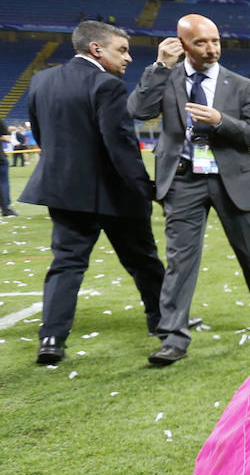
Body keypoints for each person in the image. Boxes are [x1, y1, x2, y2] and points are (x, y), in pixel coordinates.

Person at [128, 14, 250, 366]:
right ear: (182, 45)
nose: (212, 48)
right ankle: (174, 338)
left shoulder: (242, 85)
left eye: (215, 40)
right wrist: (159, 67)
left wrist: (221, 122)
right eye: (201, 42)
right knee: (180, 261)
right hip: (183, 180)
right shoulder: (166, 78)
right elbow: (138, 110)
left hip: (231, 179)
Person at [20, 21, 164, 365]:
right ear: (96, 49)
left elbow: (41, 134)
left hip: (64, 189)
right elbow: (120, 144)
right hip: (114, 193)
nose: (128, 58)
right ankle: (162, 322)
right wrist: (146, 188)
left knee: (66, 265)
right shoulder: (107, 84)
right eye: (122, 50)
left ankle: (51, 338)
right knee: (143, 261)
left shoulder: (41, 80)